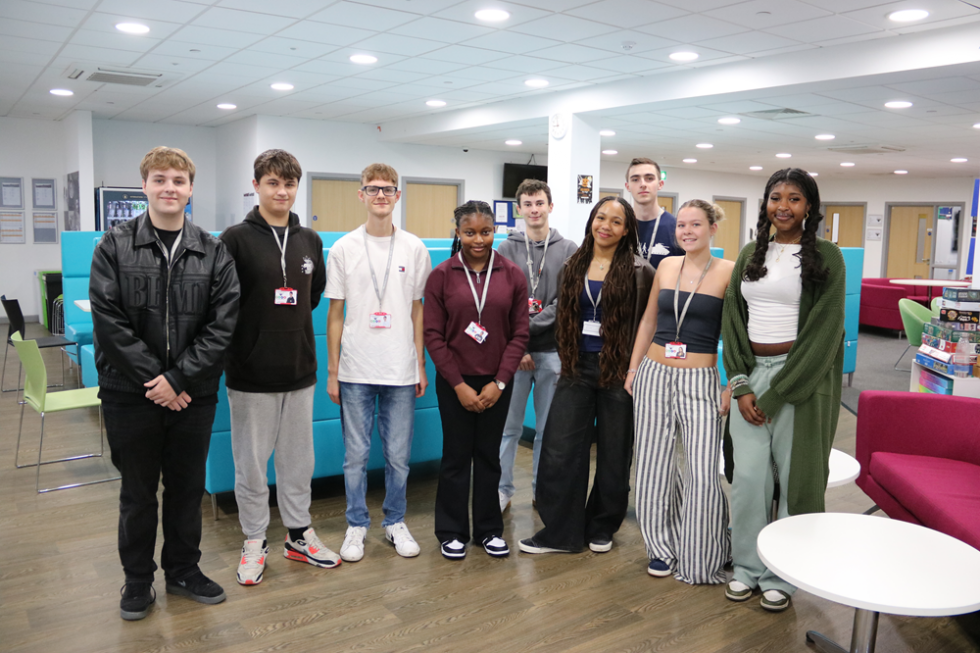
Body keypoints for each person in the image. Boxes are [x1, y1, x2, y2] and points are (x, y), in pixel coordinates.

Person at [90, 146, 239, 620]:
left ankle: (182, 570)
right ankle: (137, 581)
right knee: (137, 493)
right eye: (160, 179)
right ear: (145, 187)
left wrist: (177, 378)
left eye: (178, 180)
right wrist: (156, 381)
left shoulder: (214, 251)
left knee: (186, 489)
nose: (169, 187)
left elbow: (223, 324)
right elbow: (108, 322)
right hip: (128, 394)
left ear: (191, 189)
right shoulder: (113, 245)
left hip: (193, 394)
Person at [722, 168, 845, 612]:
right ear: (766, 203)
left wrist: (775, 394)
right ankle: (747, 568)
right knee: (749, 479)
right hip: (751, 375)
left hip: (801, 382)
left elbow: (825, 335)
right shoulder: (751, 253)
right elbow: (732, 321)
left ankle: (784, 574)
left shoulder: (828, 256)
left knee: (796, 482)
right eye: (777, 197)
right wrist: (739, 383)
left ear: (809, 206)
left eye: (795, 198)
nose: (784, 206)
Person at [220, 149, 338, 586]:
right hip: (251, 374)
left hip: (299, 369)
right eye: (273, 183)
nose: (282, 191)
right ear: (257, 185)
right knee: (251, 465)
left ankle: (298, 534)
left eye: (289, 184)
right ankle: (254, 540)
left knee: (296, 462)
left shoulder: (309, 239)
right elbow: (224, 304)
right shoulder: (234, 239)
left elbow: (310, 295)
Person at [519, 196, 654, 555]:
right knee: (561, 450)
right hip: (576, 368)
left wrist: (634, 369)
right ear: (591, 220)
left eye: (616, 221)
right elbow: (563, 316)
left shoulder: (642, 272)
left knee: (614, 454)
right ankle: (562, 531)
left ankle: (601, 526)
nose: (605, 226)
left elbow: (647, 324)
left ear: (627, 231)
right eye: (600, 217)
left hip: (618, 372)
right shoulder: (572, 264)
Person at [326, 163, 432, 563]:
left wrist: (419, 364)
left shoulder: (414, 248)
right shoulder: (344, 248)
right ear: (361, 195)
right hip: (354, 370)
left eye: (388, 189)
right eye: (373, 189)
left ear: (398, 195)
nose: (381, 195)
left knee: (398, 456)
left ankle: (394, 520)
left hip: (401, 370)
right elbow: (334, 314)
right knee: (355, 455)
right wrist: (333, 371)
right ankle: (356, 524)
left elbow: (417, 311)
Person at [626, 199, 734, 584]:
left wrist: (729, 382)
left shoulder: (728, 272)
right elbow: (649, 320)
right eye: (682, 226)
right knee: (653, 466)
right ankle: (660, 547)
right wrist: (634, 368)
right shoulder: (668, 265)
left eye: (695, 225)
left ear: (712, 228)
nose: (686, 232)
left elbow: (736, 336)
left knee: (703, 470)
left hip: (700, 379)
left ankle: (705, 549)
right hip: (654, 372)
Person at [424, 201, 529, 560]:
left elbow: (519, 335)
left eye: (485, 231)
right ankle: (451, 530)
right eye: (470, 232)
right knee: (455, 456)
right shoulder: (442, 275)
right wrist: (458, 385)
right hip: (455, 382)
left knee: (489, 456)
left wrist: (499, 383)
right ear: (458, 233)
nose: (479, 239)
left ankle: (488, 530)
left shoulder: (513, 274)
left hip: (496, 383)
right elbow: (433, 336)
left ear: (494, 231)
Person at [496, 179, 577, 513]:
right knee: (508, 429)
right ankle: (501, 489)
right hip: (514, 355)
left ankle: (541, 489)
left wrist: (525, 330)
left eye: (539, 203)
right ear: (519, 209)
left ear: (550, 206)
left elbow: (566, 303)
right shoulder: (505, 249)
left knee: (547, 429)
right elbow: (501, 302)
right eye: (527, 204)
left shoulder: (569, 249)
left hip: (552, 352)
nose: (534, 209)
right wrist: (519, 346)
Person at [626, 157, 684, 269]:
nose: (642, 184)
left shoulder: (676, 227)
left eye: (649, 178)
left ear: (660, 184)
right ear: (627, 186)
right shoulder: (620, 226)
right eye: (635, 179)